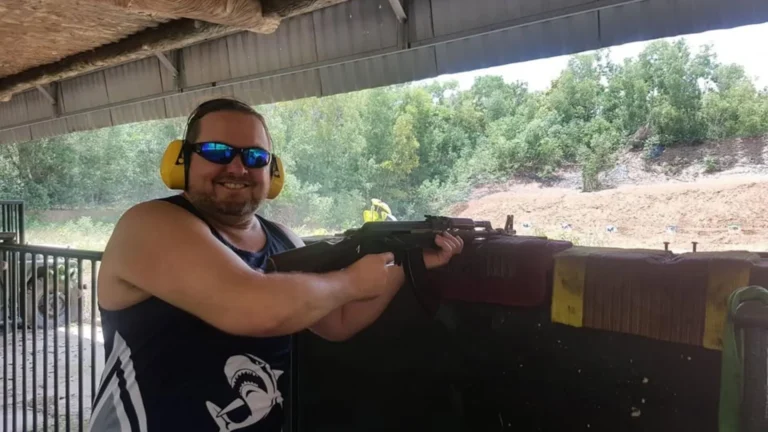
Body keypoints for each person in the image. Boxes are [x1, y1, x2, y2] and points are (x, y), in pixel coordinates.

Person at [88, 98, 464, 432]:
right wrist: (349, 281)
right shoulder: (149, 224)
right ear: (182, 161)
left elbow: (337, 322)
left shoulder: (283, 239)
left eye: (254, 157)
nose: (237, 167)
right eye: (217, 151)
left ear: (273, 172)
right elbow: (249, 305)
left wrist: (409, 260)